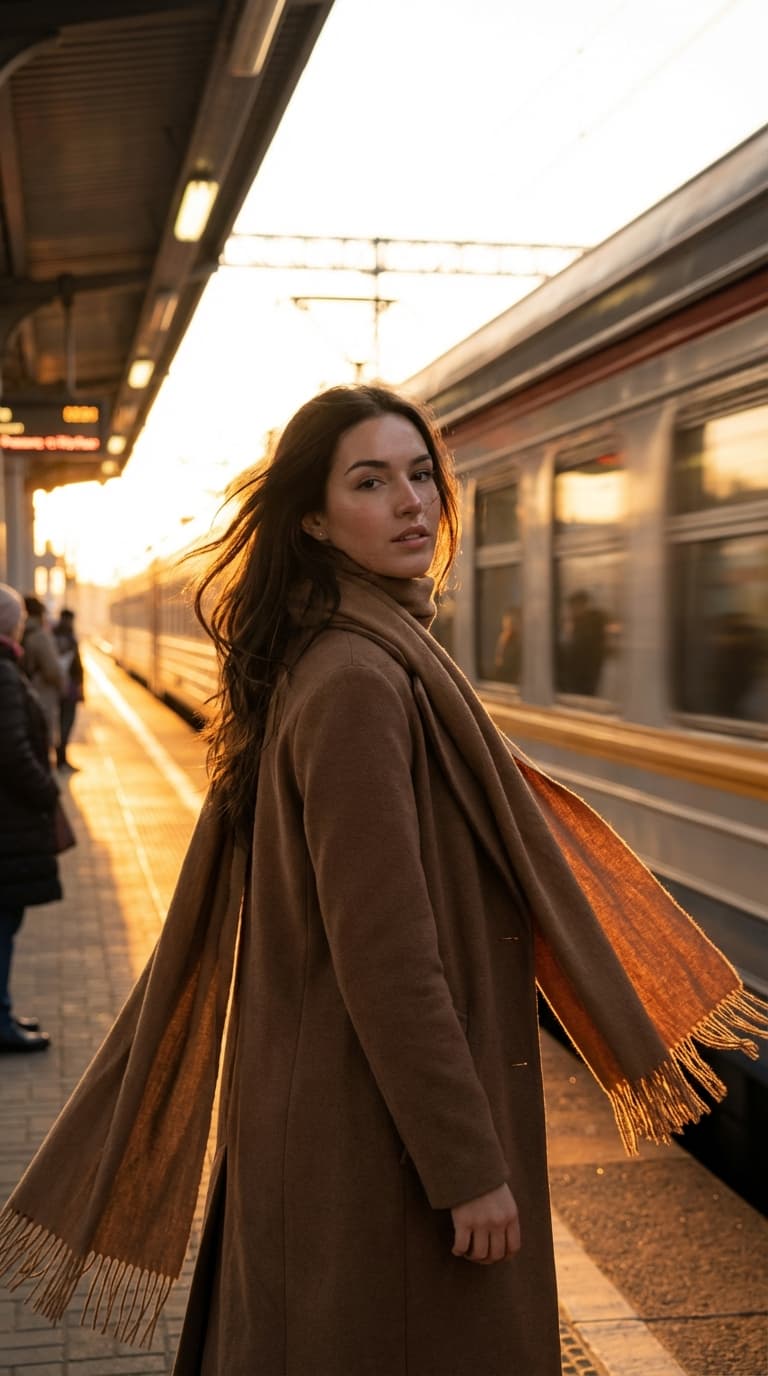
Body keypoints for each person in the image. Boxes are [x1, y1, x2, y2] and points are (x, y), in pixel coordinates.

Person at [1, 386, 766, 1374]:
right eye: (371, 479)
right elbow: (387, 956)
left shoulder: (357, 653)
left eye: (420, 474)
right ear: (313, 517)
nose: (413, 501)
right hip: (383, 1150)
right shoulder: (360, 680)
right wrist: (468, 1169)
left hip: (348, 1118)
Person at [0, 584, 57, 1053]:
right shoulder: (2, 673)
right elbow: (12, 752)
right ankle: (0, 1022)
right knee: (1, 925)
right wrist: (48, 788)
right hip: (9, 823)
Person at [21, 596, 63, 760]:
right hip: (40, 697)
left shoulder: (17, 631)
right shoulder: (40, 636)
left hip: (20, 699)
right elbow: (54, 671)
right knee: (41, 748)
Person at [52, 608, 84, 771]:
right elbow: (77, 666)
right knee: (64, 724)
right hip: (67, 688)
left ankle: (61, 758)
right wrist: (80, 689)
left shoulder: (54, 635)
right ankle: (61, 760)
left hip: (62, 688)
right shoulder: (68, 638)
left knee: (62, 724)